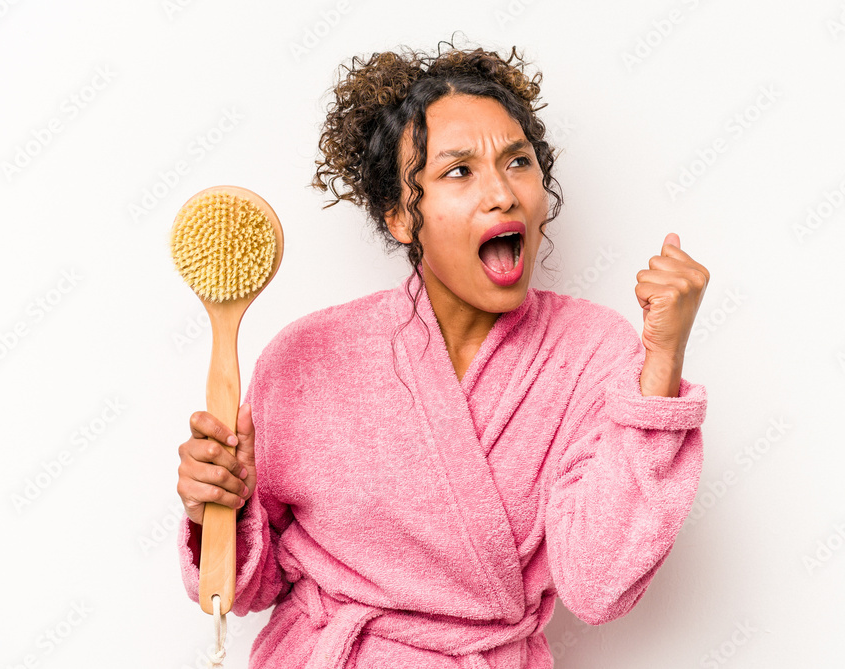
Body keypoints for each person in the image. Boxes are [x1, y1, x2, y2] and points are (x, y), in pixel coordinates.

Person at [176, 38, 710, 669]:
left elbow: (599, 585)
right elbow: (247, 589)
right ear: (402, 216)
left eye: (518, 162)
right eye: (459, 171)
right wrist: (221, 507)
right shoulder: (305, 358)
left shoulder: (592, 352)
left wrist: (662, 362)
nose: (503, 194)